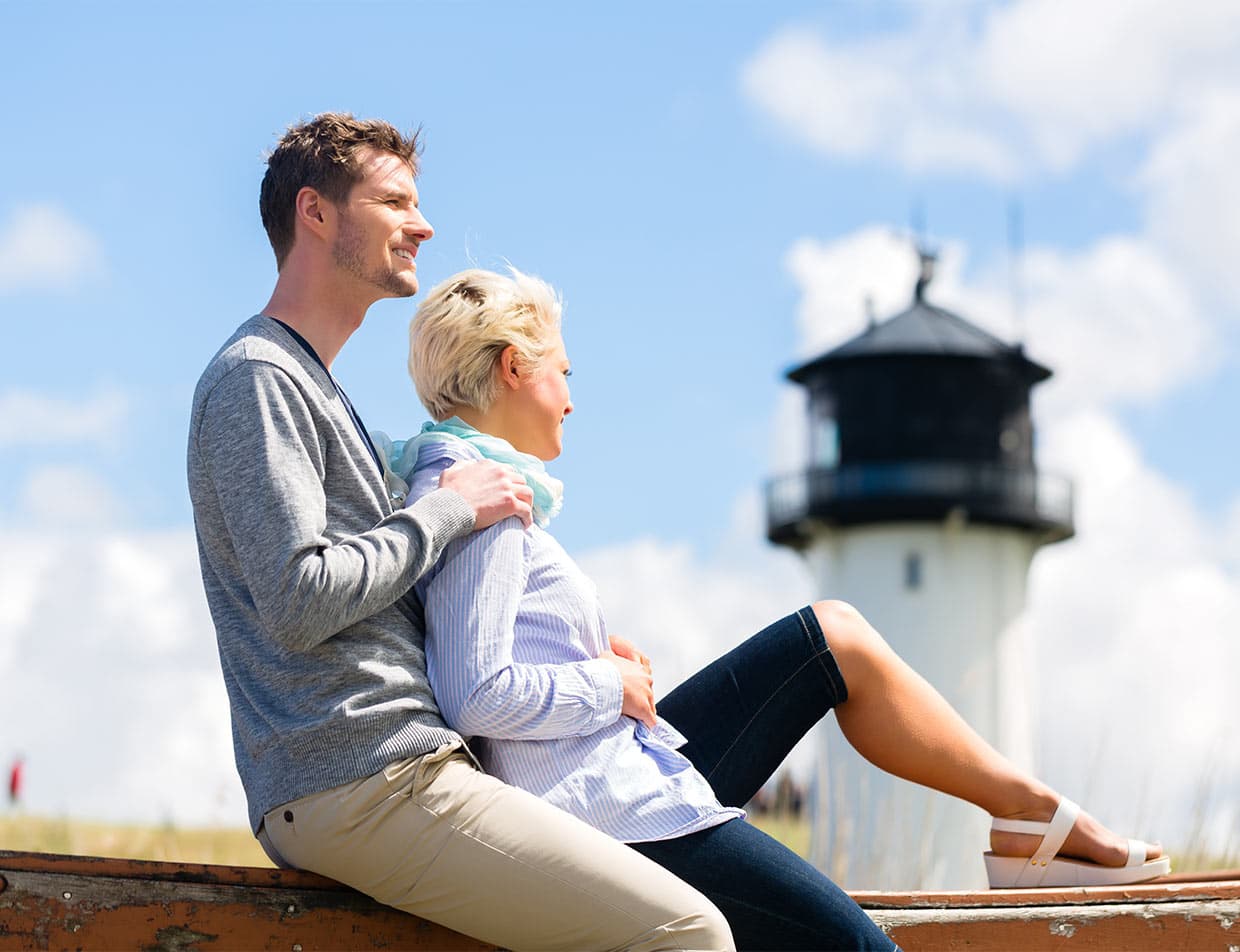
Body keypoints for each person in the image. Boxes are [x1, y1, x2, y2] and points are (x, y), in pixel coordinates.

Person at [386, 266, 1171, 952]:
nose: (572, 399)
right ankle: (1038, 824)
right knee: (860, 949)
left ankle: (1031, 815)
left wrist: (592, 657)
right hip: (609, 821)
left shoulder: (477, 483)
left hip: (621, 776)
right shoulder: (483, 498)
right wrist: (605, 683)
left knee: (833, 636)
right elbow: (476, 694)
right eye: (563, 371)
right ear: (516, 366)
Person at [187, 114, 735, 952]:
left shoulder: (315, 386)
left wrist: (570, 649)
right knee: (686, 933)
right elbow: (299, 598)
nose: (424, 224)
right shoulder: (258, 378)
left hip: (382, 772)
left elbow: (393, 607)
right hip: (362, 774)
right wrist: (450, 510)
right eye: (395, 200)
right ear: (317, 212)